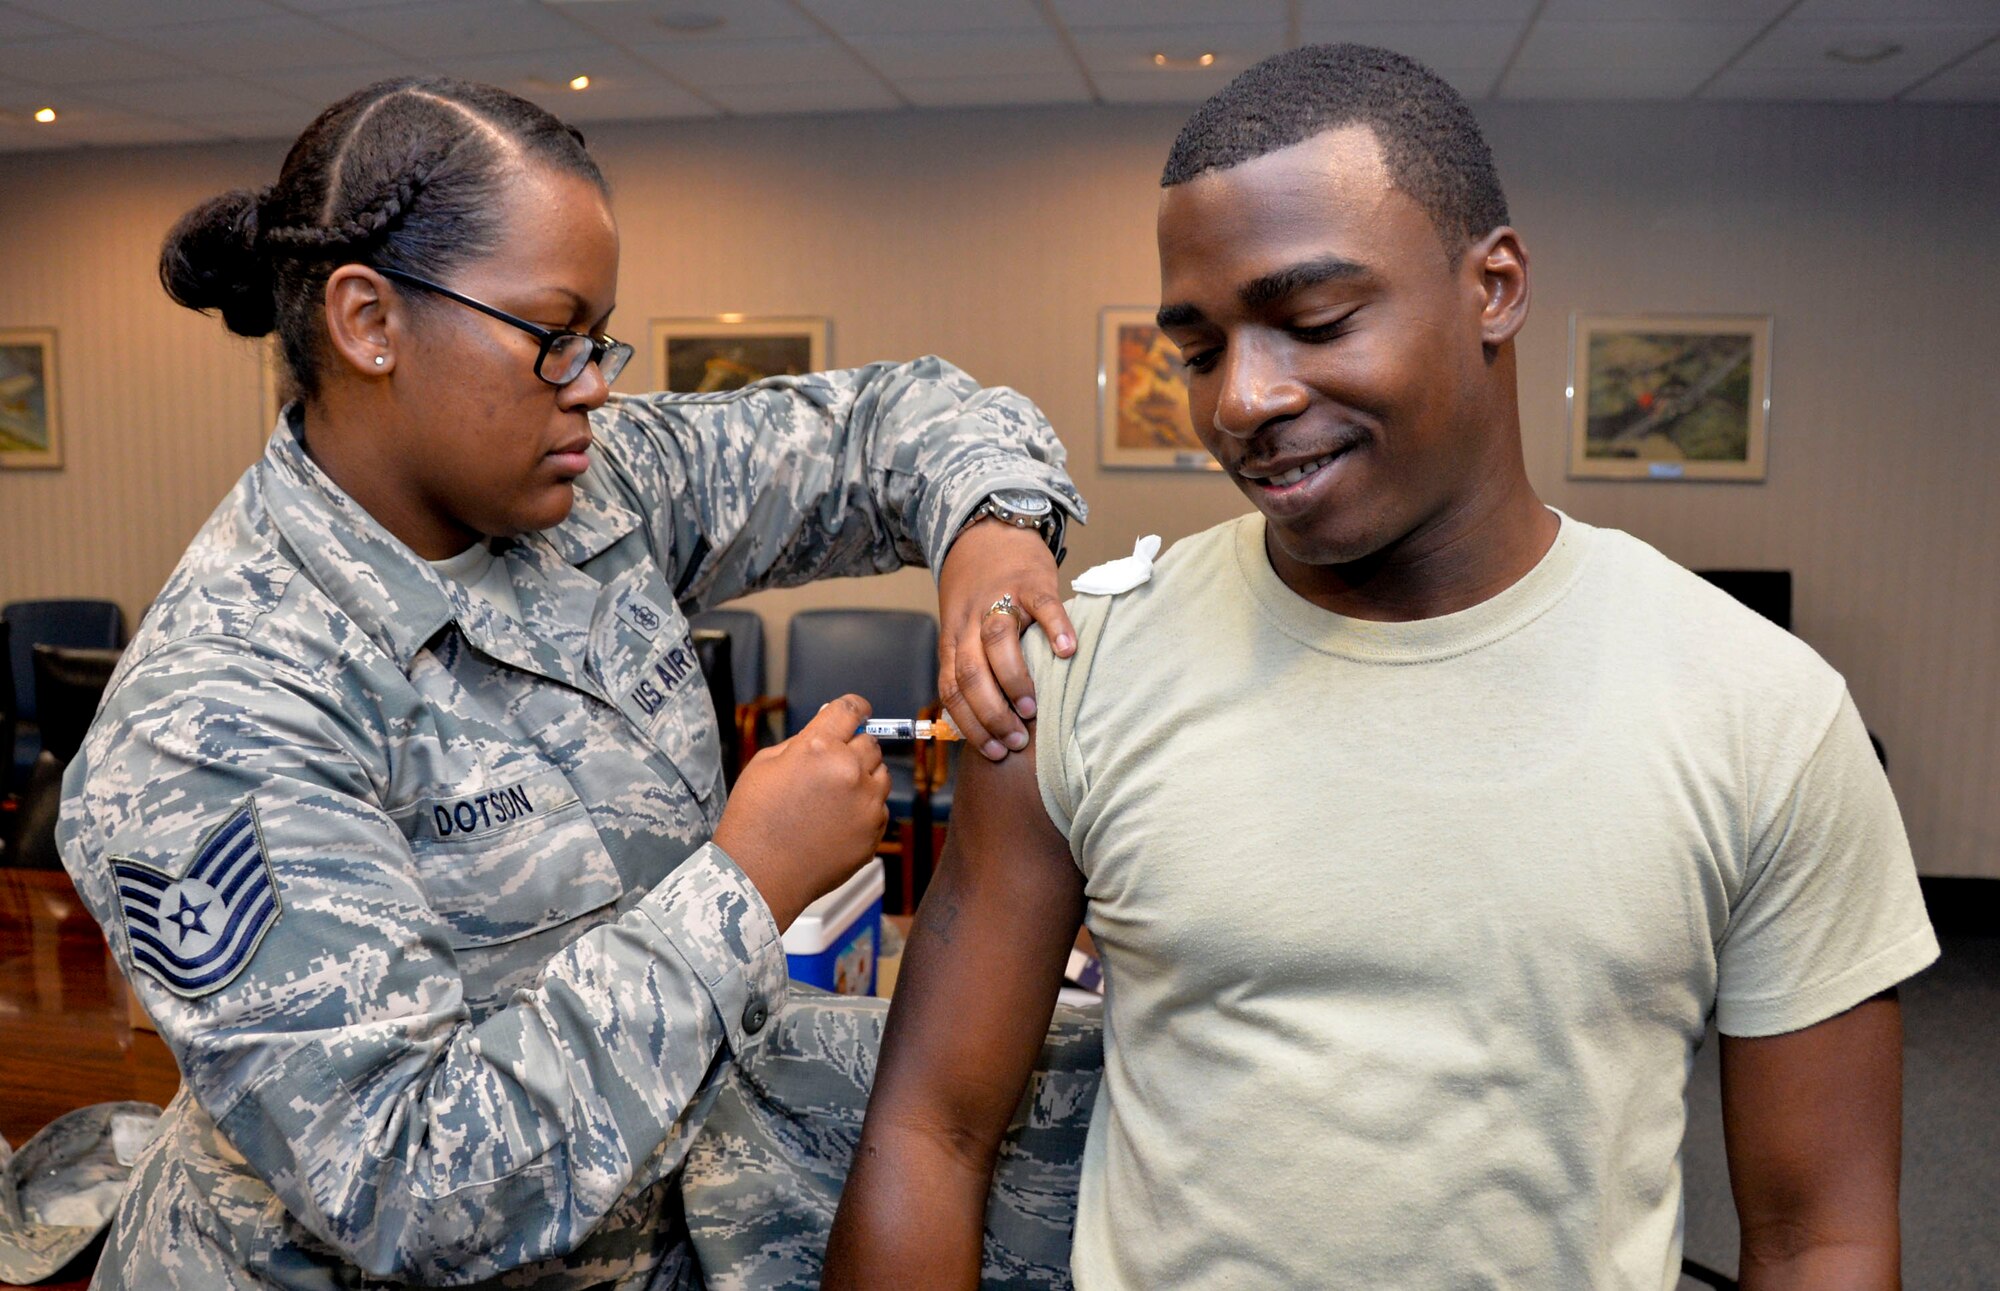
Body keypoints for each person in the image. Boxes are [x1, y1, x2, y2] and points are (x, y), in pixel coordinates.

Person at [826, 44, 1938, 1290]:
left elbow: (1817, 1236)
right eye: (1196, 352)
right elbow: (930, 1131)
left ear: (1494, 288)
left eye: (1313, 322)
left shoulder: (1762, 709)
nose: (1240, 400)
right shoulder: (1078, 667)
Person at [57, 77, 1084, 1289]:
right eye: (554, 335)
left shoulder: (593, 484)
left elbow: (889, 424)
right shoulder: (216, 715)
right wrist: (744, 884)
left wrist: (995, 527)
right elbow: (407, 1183)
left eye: (601, 336)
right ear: (368, 321)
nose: (592, 382)